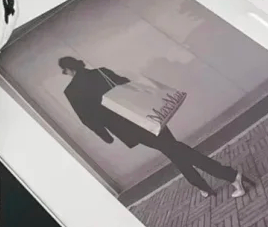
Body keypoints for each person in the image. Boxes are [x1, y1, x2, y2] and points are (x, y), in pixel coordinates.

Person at [58, 56, 246, 198]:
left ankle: (230, 175)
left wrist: (105, 136)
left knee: (175, 150)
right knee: (173, 150)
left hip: (128, 128)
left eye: (64, 72)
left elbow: (87, 118)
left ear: (67, 70)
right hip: (146, 116)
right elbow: (128, 85)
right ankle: (202, 185)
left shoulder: (72, 91)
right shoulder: (101, 72)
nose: (65, 74)